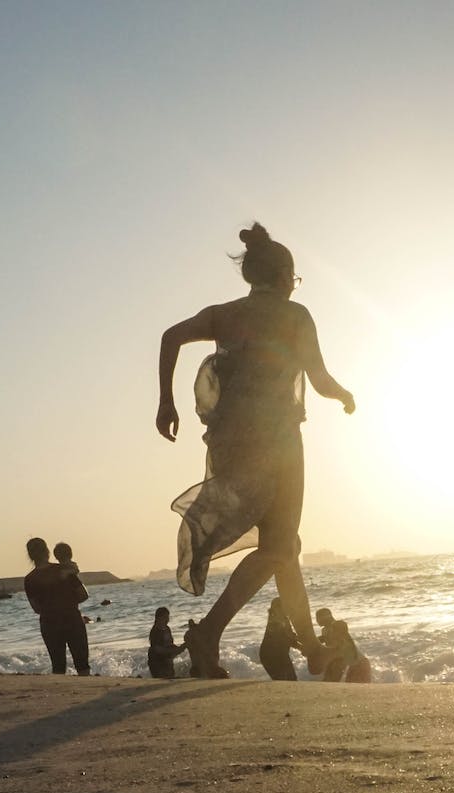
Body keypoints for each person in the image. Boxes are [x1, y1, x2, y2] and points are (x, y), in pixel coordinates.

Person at [157, 222, 356, 679]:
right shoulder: (295, 316)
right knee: (280, 545)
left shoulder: (222, 314)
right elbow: (320, 379)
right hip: (278, 443)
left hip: (230, 442)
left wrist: (166, 403)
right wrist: (346, 396)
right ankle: (208, 634)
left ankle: (311, 647)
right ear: (286, 276)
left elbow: (170, 337)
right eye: (294, 278)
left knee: (286, 546)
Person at [23, 536, 90, 674]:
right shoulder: (64, 569)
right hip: (72, 619)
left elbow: (36, 608)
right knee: (82, 663)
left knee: (58, 665)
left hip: (49, 624)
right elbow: (83, 594)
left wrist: (52, 606)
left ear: (30, 555)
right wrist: (67, 602)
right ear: (47, 551)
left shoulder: (29, 579)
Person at [314, 607, 372, 682]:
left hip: (360, 663)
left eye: (318, 617)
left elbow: (342, 628)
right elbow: (319, 641)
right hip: (351, 664)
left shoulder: (337, 626)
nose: (317, 620)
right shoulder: (325, 630)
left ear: (326, 617)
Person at [258, 597, 300, 681]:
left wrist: (303, 644)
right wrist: (301, 646)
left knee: (291, 679)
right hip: (270, 655)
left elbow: (290, 637)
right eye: (284, 607)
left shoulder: (284, 619)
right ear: (276, 609)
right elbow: (285, 638)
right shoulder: (273, 621)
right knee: (284, 680)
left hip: (281, 654)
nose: (287, 609)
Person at [147, 607, 189, 679]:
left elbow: (170, 644)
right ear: (158, 618)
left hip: (168, 660)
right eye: (165, 617)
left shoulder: (167, 629)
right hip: (158, 663)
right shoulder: (155, 632)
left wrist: (180, 648)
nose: (167, 620)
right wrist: (175, 651)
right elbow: (157, 649)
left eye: (168, 617)